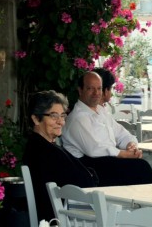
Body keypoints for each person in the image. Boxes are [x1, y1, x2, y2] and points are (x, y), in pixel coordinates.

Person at [62, 70, 152, 186]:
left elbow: (122, 134)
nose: (96, 93)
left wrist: (130, 145)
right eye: (90, 88)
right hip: (90, 172)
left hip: (107, 164)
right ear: (80, 90)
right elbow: (94, 149)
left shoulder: (101, 112)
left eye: (99, 88)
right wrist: (124, 154)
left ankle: (150, 202)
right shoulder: (77, 118)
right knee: (141, 167)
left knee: (140, 165)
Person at [23, 90, 99, 222]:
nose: (61, 122)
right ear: (35, 119)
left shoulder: (41, 146)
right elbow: (79, 182)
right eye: (54, 116)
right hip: (65, 219)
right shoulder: (44, 151)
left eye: (63, 116)